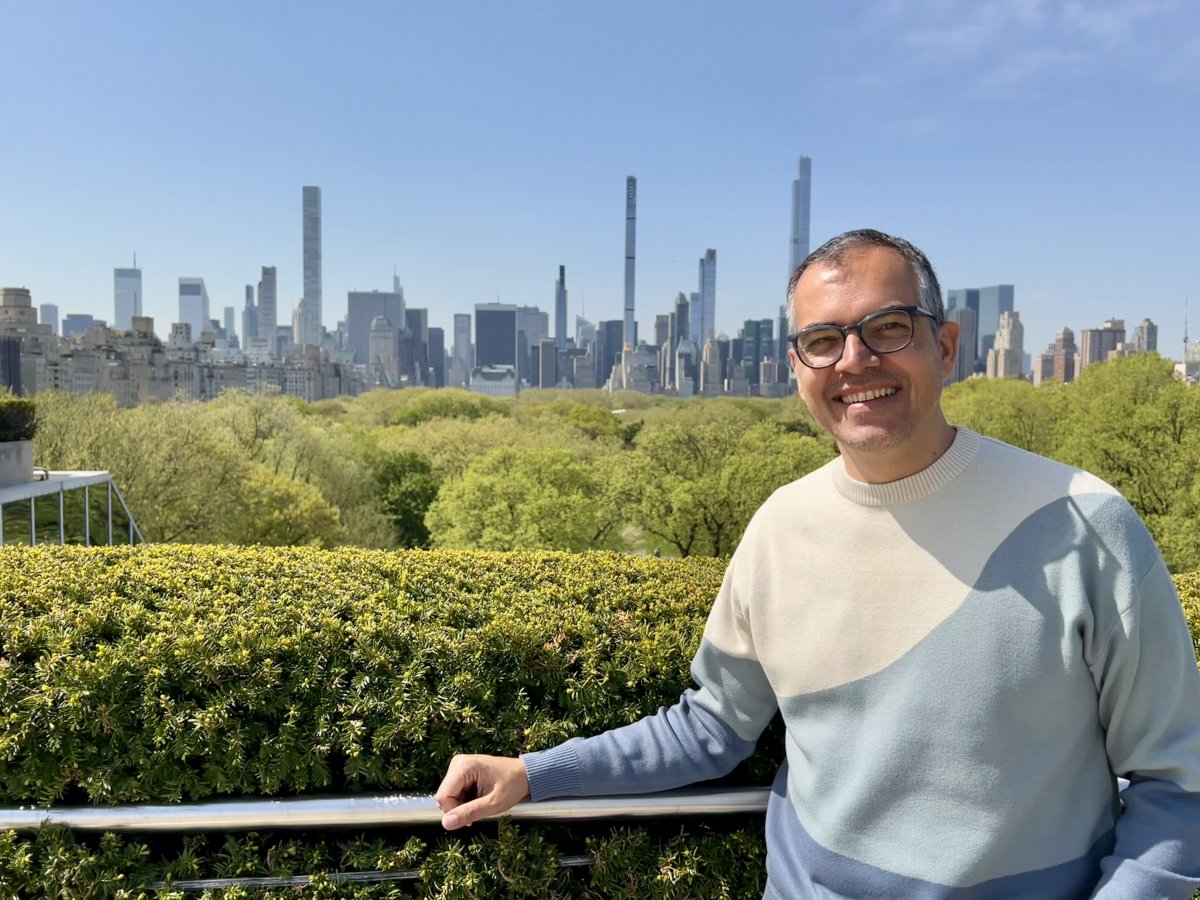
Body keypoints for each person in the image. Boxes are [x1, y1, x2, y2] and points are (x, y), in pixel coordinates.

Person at [436, 229, 1200, 898]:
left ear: (946, 345)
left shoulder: (1085, 521)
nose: (855, 360)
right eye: (823, 340)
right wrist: (535, 773)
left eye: (888, 327)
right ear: (797, 365)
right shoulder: (778, 528)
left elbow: (1178, 786)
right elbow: (710, 727)